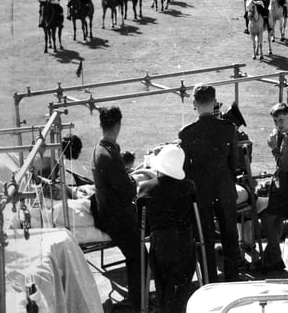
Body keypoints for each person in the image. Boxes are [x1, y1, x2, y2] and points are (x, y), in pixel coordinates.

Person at [178, 85, 240, 282]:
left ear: (194, 104)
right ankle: (232, 281)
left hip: (201, 191)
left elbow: (185, 168)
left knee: (205, 240)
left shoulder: (186, 133)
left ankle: (210, 282)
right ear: (214, 103)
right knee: (230, 238)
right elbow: (234, 163)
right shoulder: (228, 128)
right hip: (224, 188)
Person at [91, 106, 144, 311]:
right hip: (118, 218)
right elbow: (129, 190)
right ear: (118, 125)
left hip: (110, 213)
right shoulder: (110, 155)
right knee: (140, 257)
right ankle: (138, 304)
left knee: (136, 256)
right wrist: (132, 178)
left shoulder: (101, 149)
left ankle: (136, 299)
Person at [136, 144, 197, 313]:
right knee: (179, 285)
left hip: (160, 244)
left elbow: (142, 225)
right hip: (184, 242)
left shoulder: (146, 188)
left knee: (163, 284)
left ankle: (165, 306)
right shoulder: (189, 187)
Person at [254, 103, 288, 274]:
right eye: (276, 121)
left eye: (282, 120)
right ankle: (271, 258)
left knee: (268, 217)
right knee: (275, 219)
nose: (279, 124)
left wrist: (274, 148)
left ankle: (274, 259)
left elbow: (284, 165)